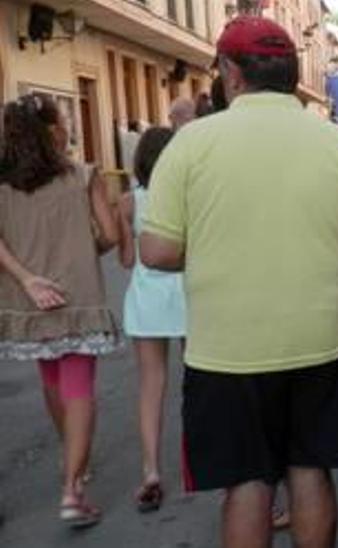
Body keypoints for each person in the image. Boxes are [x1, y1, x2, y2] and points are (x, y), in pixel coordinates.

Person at [140, 17, 338, 548]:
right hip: (321, 341)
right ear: (291, 73)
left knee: (247, 483)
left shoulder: (189, 145)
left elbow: (158, 251)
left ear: (231, 74)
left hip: (228, 350)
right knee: (311, 472)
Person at [0, 93, 121, 528]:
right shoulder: (84, 175)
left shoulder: (3, 182)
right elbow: (109, 234)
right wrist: (83, 251)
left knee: (52, 380)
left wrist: (27, 278)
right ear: (54, 130)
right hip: (77, 297)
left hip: (27, 302)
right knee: (80, 388)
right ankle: (72, 490)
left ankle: (73, 462)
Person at [116, 127, 184, 514]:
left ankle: (151, 471)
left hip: (147, 300)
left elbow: (126, 260)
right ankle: (200, 464)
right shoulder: (187, 195)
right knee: (200, 382)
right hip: (190, 296)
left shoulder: (128, 202)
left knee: (151, 387)